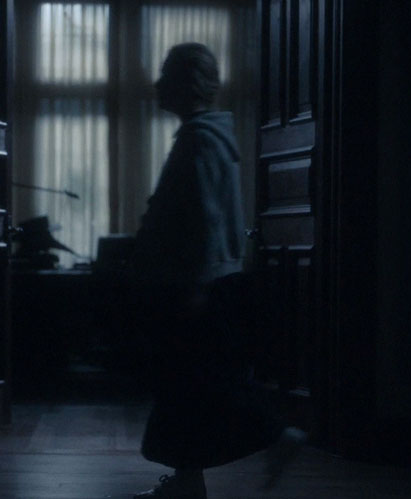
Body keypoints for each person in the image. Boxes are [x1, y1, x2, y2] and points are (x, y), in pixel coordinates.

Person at [124, 43, 307, 499]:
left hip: (196, 285)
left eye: (166, 75)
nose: (157, 84)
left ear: (186, 84)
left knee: (202, 387)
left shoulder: (199, 140)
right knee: (188, 391)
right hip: (203, 282)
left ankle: (277, 435)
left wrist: (196, 286)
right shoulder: (206, 137)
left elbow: (205, 215)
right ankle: (188, 484)